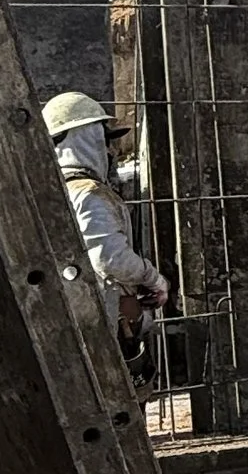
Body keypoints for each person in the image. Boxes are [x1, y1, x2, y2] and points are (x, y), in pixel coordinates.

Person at [40, 92, 171, 345]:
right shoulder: (89, 194)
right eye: (105, 139)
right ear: (87, 138)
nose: (110, 150)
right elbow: (110, 259)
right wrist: (153, 278)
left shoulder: (50, 192)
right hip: (102, 324)